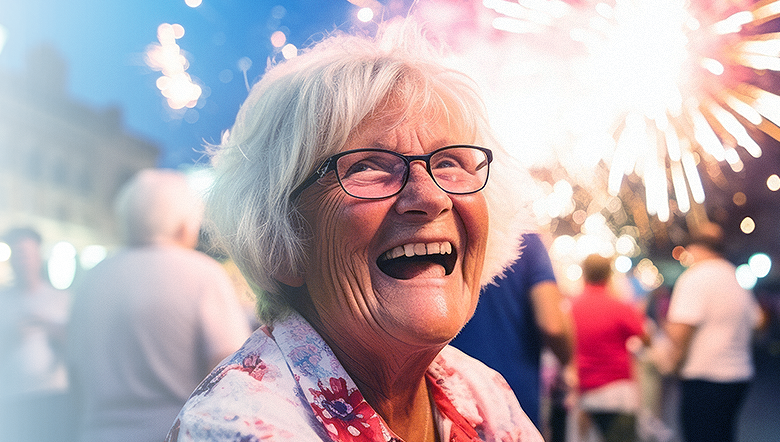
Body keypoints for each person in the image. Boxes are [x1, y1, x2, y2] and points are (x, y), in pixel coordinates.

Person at [166, 18, 541, 442]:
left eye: (450, 162)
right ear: (280, 242)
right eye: (367, 166)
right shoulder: (236, 429)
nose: (432, 197)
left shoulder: (481, 393)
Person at [67, 169, 252, 442]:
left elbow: (74, 371)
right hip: (175, 432)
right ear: (184, 225)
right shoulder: (201, 273)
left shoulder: (92, 278)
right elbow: (229, 367)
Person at [450, 232, 573, 430]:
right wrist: (568, 364)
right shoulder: (527, 243)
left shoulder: (445, 240)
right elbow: (553, 325)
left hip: (451, 397)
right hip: (515, 403)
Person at [665, 223, 765, 442]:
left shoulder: (695, 277)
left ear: (695, 249)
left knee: (699, 434)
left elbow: (681, 331)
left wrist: (671, 365)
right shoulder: (735, 277)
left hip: (704, 378)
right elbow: (758, 324)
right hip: (738, 376)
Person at [0, 227, 74, 441]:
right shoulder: (2, 302)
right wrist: (10, 337)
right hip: (12, 401)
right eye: (19, 255)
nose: (24, 261)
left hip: (54, 398)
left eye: (28, 254)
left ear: (39, 257)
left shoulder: (63, 300)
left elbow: (79, 350)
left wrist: (56, 332)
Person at [570, 254, 650, 442]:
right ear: (609, 274)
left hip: (584, 391)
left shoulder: (572, 307)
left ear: (584, 273)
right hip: (617, 392)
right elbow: (646, 339)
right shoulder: (620, 306)